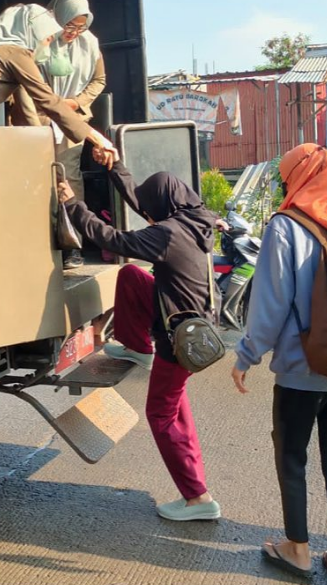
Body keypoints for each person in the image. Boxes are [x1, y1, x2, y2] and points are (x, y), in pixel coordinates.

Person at [231, 144, 327, 585]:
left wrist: (246, 355)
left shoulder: (285, 226)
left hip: (301, 371)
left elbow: (270, 305)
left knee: (292, 458)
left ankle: (296, 549)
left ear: (299, 177)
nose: (284, 181)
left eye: (287, 174)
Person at [58, 157, 221, 521]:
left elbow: (112, 239)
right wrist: (115, 165)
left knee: (161, 414)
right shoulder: (195, 219)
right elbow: (143, 204)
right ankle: (136, 348)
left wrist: (72, 204)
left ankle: (197, 498)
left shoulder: (167, 234)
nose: (147, 213)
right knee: (133, 276)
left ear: (162, 206)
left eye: (151, 208)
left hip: (179, 339)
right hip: (189, 318)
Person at [19, 0, 106, 269]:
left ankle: (73, 246)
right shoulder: (38, 39)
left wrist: (76, 103)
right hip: (37, 119)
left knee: (70, 180)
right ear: (58, 18)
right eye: (70, 25)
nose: (74, 32)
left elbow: (99, 80)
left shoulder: (90, 44)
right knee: (37, 181)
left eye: (81, 27)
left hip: (71, 121)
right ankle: (38, 245)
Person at [0, 4, 116, 160]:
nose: (49, 43)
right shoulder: (17, 54)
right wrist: (99, 139)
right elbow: (49, 101)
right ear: (32, 33)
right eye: (47, 38)